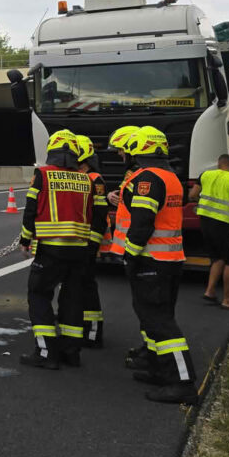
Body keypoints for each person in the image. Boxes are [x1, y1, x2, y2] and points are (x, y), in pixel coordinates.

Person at [123, 126, 198, 404]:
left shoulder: (147, 178)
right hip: (170, 259)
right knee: (155, 318)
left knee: (160, 322)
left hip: (151, 260)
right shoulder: (171, 176)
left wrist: (130, 254)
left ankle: (182, 383)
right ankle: (159, 370)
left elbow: (143, 222)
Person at [19, 129, 97, 369]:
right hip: (79, 250)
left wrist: (25, 239)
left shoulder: (42, 175)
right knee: (72, 299)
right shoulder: (86, 179)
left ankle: (45, 353)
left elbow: (31, 208)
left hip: (51, 248)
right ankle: (71, 352)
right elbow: (90, 214)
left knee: (39, 295)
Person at [98, 125, 148, 365]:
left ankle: (155, 353)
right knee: (143, 305)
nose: (119, 154)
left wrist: (132, 251)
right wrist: (112, 196)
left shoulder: (141, 174)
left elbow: (142, 215)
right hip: (134, 247)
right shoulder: (135, 173)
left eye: (121, 149)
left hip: (140, 250)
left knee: (148, 306)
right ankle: (149, 347)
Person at [190, 154, 229, 311]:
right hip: (225, 224)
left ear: (219, 164)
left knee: (217, 258)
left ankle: (210, 291)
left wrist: (205, 203)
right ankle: (228, 300)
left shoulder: (205, 175)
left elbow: (192, 195)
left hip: (205, 222)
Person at [75, 134, 110, 347]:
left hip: (87, 242)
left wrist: (92, 243)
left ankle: (94, 333)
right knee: (76, 286)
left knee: (87, 286)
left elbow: (99, 214)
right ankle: (79, 327)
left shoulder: (95, 179)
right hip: (75, 243)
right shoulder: (75, 177)